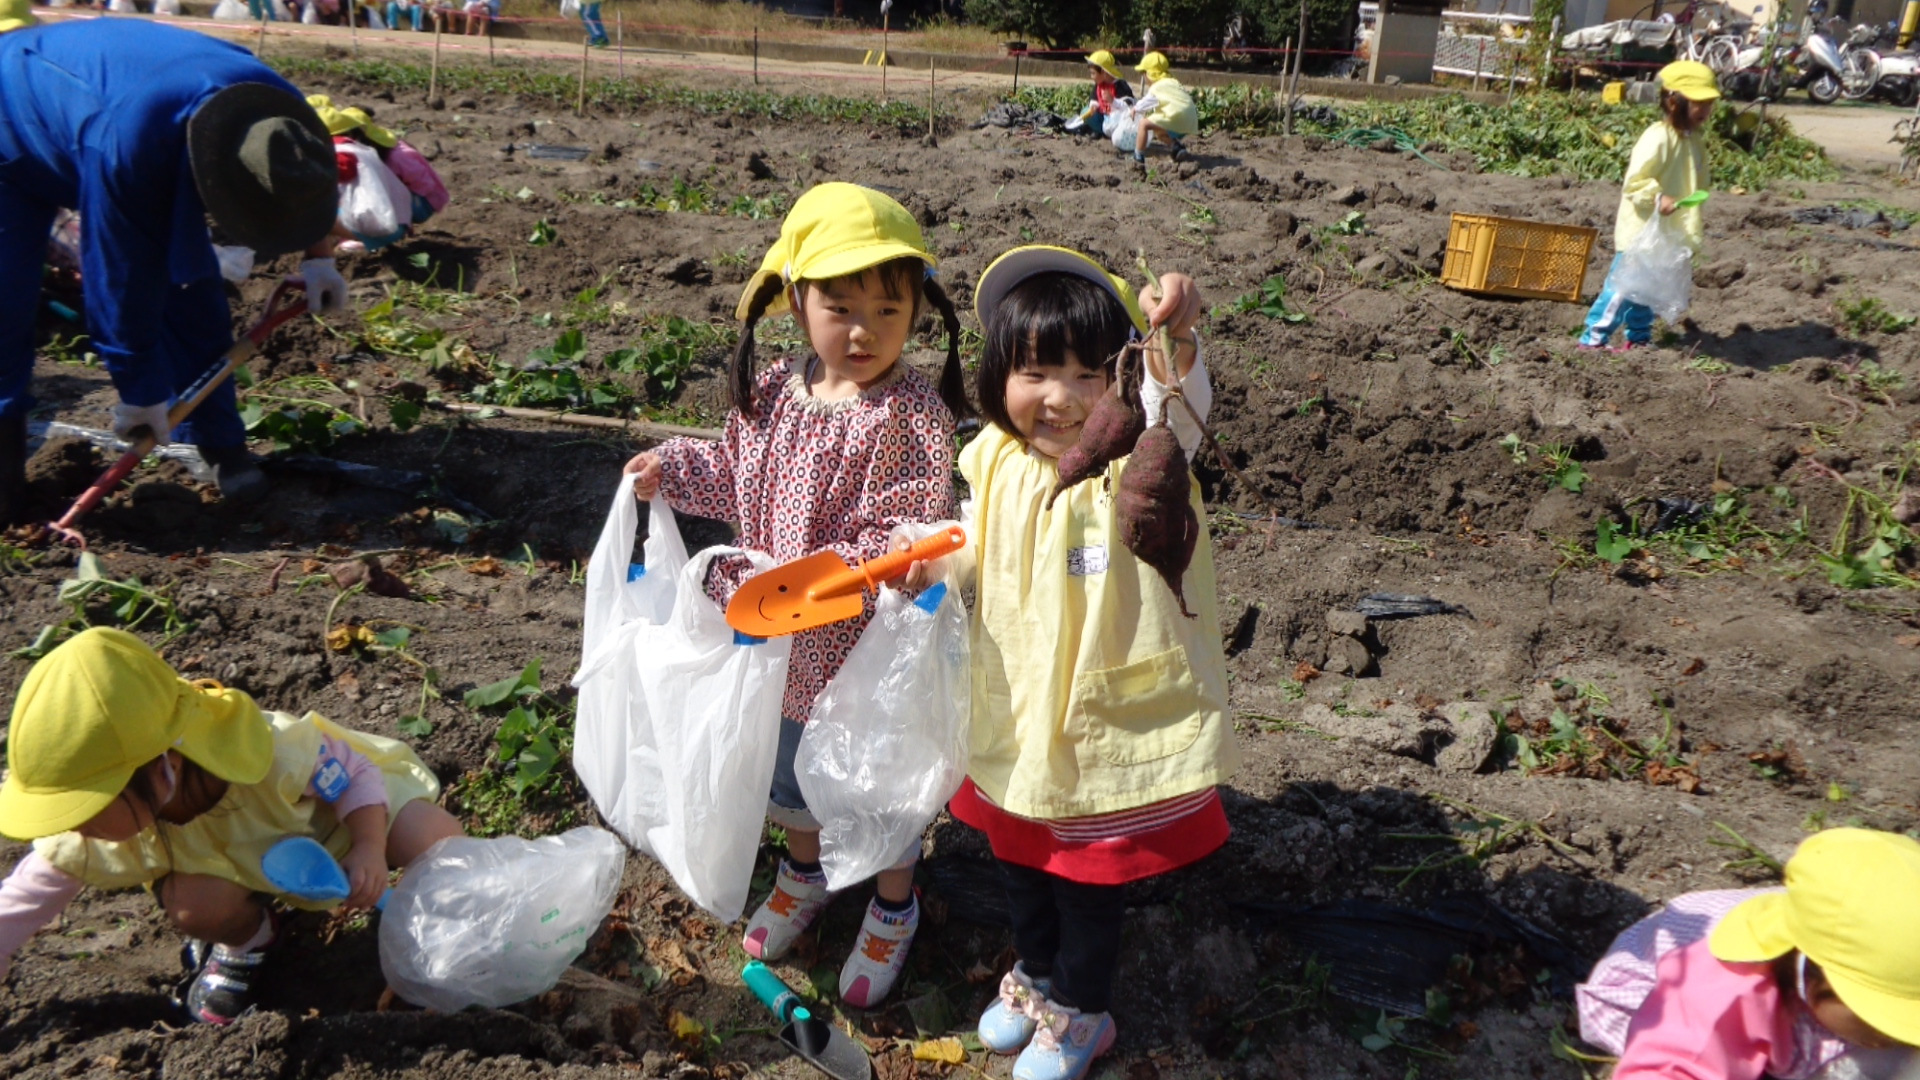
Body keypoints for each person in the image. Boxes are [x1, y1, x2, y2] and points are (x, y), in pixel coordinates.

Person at [620, 183, 968, 1008]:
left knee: (877, 780)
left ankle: (893, 905)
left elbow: (908, 521)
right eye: (841, 308)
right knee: (787, 774)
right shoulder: (777, 388)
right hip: (777, 642)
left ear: (918, 312)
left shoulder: (910, 412)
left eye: (888, 311)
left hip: (862, 645)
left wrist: (875, 562)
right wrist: (671, 469)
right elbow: (731, 470)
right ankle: (804, 873)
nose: (864, 331)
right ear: (796, 302)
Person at [896, 247, 1237, 1080]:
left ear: (1123, 378)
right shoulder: (996, 459)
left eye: (1090, 374)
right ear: (998, 377)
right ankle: (1035, 975)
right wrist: (927, 559)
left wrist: (1178, 335)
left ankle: (1083, 1011)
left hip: (1096, 719)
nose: (1061, 398)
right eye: (1036, 372)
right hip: (1017, 708)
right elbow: (973, 544)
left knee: (1086, 879)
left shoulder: (1144, 457)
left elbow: (1180, 398)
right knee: (1020, 859)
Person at [0, 628, 464, 1024]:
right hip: (242, 870)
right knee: (193, 908)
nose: (73, 826)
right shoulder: (99, 829)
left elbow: (357, 776)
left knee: (432, 835)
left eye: (86, 805)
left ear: (163, 768)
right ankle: (248, 940)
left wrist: (367, 846)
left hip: (336, 828)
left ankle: (460, 905)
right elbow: (27, 895)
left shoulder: (272, 752)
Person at [0, 21, 348, 526]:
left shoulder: (280, 116)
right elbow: (115, 278)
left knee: (188, 279)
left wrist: (319, 258)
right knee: (6, 303)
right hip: (14, 109)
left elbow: (309, 186)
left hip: (115, 109)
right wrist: (139, 391)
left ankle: (220, 444)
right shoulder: (127, 147)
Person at [1576, 828, 1920, 1080]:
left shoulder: (1875, 932)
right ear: (1814, 977)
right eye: (1882, 1020)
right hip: (1660, 1005)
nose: (1897, 1035)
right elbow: (1672, 1068)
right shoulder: (1724, 991)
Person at [1580, 59, 1717, 351]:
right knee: (1623, 287)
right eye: (1698, 102)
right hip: (1642, 230)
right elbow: (1635, 181)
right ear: (1673, 102)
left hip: (1668, 231)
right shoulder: (1658, 137)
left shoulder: (1694, 141)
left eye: (1709, 103)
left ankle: (1638, 337)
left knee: (1647, 289)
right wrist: (1657, 197)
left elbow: (1698, 180)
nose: (1705, 110)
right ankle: (1593, 338)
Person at [307, 95, 451, 250]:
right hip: (395, 213)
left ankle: (360, 240)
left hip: (419, 204)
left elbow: (424, 184)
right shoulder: (365, 153)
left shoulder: (394, 156)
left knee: (315, 215)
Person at [1130, 52, 1197, 165]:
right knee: (1159, 130)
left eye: (1143, 73)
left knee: (1144, 124)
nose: (1143, 77)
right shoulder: (1174, 82)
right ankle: (1177, 147)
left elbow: (1145, 103)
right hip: (1190, 121)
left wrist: (1135, 109)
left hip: (1176, 118)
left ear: (1149, 74)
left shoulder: (1157, 87)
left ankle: (1138, 156)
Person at [1064, 50, 1134, 138]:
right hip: (1105, 117)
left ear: (1104, 72)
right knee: (1086, 111)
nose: (1091, 77)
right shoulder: (1099, 85)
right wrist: (1093, 106)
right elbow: (1094, 98)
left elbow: (1128, 106)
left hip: (1118, 120)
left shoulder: (1120, 85)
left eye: (1093, 73)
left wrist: (1113, 101)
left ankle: (1112, 133)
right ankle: (1101, 131)